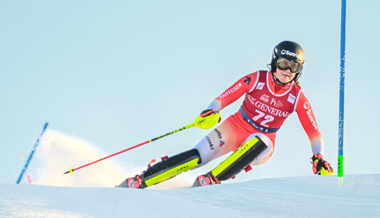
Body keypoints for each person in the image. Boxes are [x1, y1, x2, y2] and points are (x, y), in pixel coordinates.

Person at [117, 40, 334, 189]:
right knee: (197, 156)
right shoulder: (257, 79)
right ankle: (141, 180)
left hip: (263, 143)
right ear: (275, 62)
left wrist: (318, 156)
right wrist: (212, 110)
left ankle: (212, 179)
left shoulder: (297, 96)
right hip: (235, 127)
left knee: (261, 140)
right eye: (283, 64)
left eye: (294, 66)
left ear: (299, 70)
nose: (287, 70)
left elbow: (314, 133)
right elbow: (225, 97)